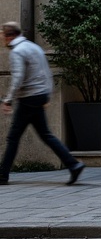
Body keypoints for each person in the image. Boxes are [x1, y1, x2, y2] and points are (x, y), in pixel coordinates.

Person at [1, 22, 85, 185]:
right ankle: (73, 165)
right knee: (45, 135)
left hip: (28, 98)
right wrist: (46, 95)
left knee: (13, 137)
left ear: (9, 36)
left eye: (4, 36)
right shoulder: (34, 47)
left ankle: (3, 175)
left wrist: (8, 100)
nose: (3, 39)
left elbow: (18, 78)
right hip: (38, 96)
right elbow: (47, 73)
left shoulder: (17, 52)